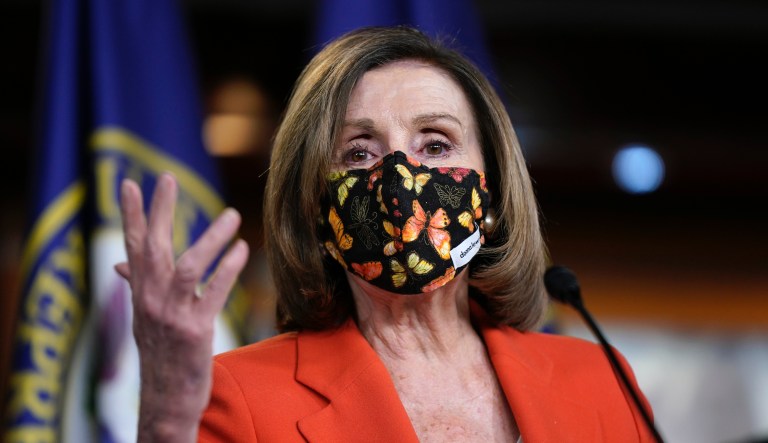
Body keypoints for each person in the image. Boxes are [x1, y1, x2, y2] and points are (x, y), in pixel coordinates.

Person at [116, 25, 656, 442]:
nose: (400, 181)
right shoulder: (241, 398)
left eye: (436, 144)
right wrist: (165, 420)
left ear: (493, 188)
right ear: (314, 207)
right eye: (358, 153)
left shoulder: (600, 381)